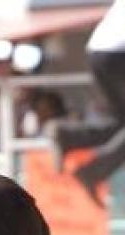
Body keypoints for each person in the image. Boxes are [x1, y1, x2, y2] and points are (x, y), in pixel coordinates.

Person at [48, 0, 125, 204]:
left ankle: (69, 136)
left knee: (120, 124)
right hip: (119, 54)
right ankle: (94, 170)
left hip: (99, 50)